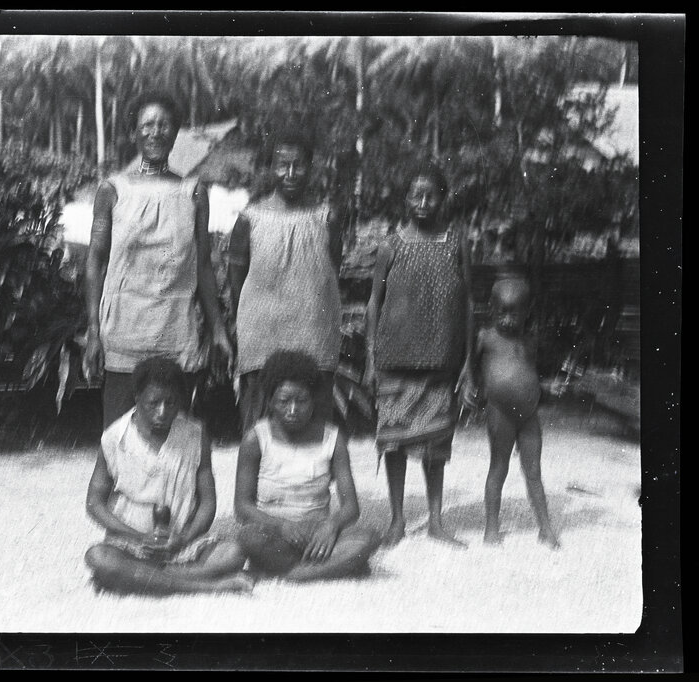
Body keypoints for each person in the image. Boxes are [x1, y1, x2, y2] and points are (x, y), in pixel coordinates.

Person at [83, 91, 233, 429]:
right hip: (123, 333)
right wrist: (93, 331)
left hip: (175, 333)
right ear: (133, 132)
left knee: (175, 436)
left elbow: (203, 266)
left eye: (164, 125)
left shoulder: (193, 192)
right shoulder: (112, 190)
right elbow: (95, 261)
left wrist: (218, 329)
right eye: (147, 125)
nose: (155, 132)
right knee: (119, 437)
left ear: (176, 132)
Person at [362, 162, 477, 548]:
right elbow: (374, 302)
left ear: (443, 199)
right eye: (416, 195)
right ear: (406, 199)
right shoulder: (391, 246)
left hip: (441, 362)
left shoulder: (456, 243)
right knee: (394, 443)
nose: (423, 203)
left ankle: (436, 520)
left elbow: (468, 302)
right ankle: (397, 520)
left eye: (431, 196)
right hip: (394, 361)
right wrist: (370, 359)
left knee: (436, 445)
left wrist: (468, 363)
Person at [84, 357, 252, 594]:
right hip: (130, 545)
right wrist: (137, 537)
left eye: (171, 403)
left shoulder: (195, 435)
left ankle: (137, 578)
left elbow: (207, 502)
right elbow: (94, 504)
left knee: (233, 553)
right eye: (153, 403)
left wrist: (183, 538)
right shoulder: (115, 438)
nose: (162, 412)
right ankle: (206, 585)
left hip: (182, 543)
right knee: (98, 556)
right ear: (137, 398)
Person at [227, 130, 344, 434]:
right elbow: (237, 281)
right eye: (282, 165)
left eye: (298, 165)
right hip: (262, 341)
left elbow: (330, 272)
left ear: (310, 167)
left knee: (315, 427)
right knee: (260, 426)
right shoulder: (250, 219)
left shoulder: (325, 218)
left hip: (313, 338)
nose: (290, 173)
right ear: (271, 167)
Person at [234, 351, 380, 581]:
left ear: (313, 400)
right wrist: (282, 526)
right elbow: (242, 507)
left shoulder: (333, 439)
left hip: (318, 534)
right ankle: (328, 567)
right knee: (248, 538)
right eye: (284, 401)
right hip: (274, 533)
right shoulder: (255, 439)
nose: (293, 409)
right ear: (270, 401)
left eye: (301, 401)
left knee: (369, 537)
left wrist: (331, 526)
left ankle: (294, 572)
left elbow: (351, 507)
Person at [475, 275, 560, 549]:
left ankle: (545, 528)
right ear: (492, 309)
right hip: (500, 413)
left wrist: (547, 387)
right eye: (502, 312)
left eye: (515, 313)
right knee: (499, 467)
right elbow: (469, 369)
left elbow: (531, 373)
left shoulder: (530, 341)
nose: (508, 319)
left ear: (527, 312)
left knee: (533, 470)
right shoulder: (486, 338)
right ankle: (491, 528)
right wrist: (470, 388)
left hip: (529, 414)